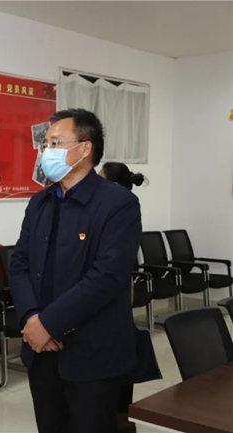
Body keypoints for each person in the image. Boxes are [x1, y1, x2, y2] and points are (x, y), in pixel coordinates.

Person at [9, 108, 142, 433]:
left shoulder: (118, 203)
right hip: (41, 350)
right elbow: (20, 263)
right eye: (45, 144)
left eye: (56, 143)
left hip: (92, 353)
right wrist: (31, 319)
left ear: (85, 148)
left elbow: (106, 277)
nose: (46, 151)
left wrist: (49, 324)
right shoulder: (40, 202)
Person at [99, 162, 146, 433]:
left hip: (114, 313)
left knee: (117, 374)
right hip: (109, 314)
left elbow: (124, 275)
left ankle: (120, 420)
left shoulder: (123, 213)